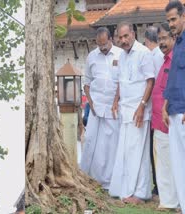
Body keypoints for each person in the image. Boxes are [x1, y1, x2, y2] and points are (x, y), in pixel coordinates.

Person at [109, 21, 155, 204]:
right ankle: (126, 189)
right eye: (120, 37)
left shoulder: (143, 53)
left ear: (133, 34)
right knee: (127, 152)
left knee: (138, 152)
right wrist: (115, 101)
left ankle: (140, 193)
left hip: (139, 111)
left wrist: (142, 106)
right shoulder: (122, 56)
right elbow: (121, 81)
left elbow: (150, 81)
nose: (123, 40)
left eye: (126, 36)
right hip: (125, 110)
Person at [80, 27, 122, 190]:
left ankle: (110, 181)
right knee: (91, 141)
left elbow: (121, 81)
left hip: (114, 106)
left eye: (104, 44)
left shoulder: (120, 54)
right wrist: (90, 102)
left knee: (110, 144)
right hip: (96, 106)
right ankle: (88, 177)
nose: (102, 47)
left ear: (111, 39)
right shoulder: (92, 56)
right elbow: (87, 83)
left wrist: (116, 101)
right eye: (99, 45)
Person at [152, 22, 179, 210]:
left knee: (175, 164)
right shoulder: (164, 60)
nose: (161, 42)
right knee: (163, 164)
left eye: (164, 38)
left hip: (171, 121)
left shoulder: (176, 60)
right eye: (159, 39)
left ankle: (178, 201)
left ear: (174, 38)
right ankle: (168, 201)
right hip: (158, 122)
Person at [163, 1, 185, 213]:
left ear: (184, 16)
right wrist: (165, 104)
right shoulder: (177, 43)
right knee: (179, 165)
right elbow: (174, 77)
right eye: (168, 20)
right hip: (174, 111)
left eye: (174, 19)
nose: (171, 24)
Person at [144, 25, 164, 198]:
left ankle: (158, 185)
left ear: (146, 40)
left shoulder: (152, 56)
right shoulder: (162, 55)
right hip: (157, 109)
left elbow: (150, 84)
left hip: (154, 110)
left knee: (155, 151)